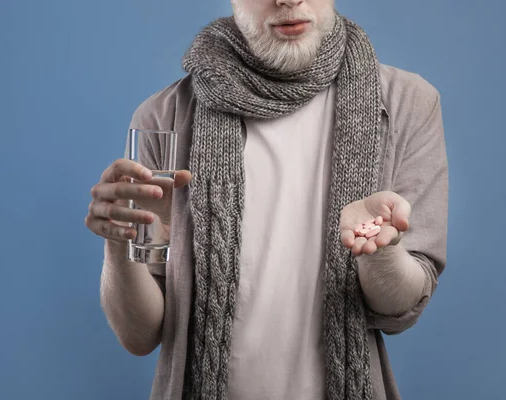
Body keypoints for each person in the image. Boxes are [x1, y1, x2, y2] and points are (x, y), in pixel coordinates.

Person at [85, 0, 449, 399]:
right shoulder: (162, 118)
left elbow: (401, 311)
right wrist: (118, 244)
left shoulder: (408, 104)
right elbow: (140, 335)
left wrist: (381, 249)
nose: (288, 0)